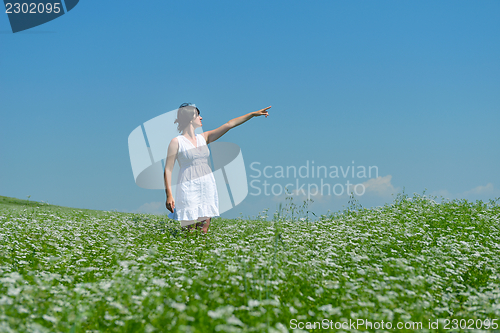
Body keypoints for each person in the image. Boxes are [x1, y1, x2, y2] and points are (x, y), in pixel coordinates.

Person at [164, 103, 271, 233]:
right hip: (188, 187)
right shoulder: (177, 142)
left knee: (204, 227)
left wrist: (252, 114)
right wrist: (169, 194)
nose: (201, 118)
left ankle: (202, 252)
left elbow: (229, 124)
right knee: (189, 228)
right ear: (190, 119)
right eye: (198, 115)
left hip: (206, 186)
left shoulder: (204, 138)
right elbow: (168, 169)